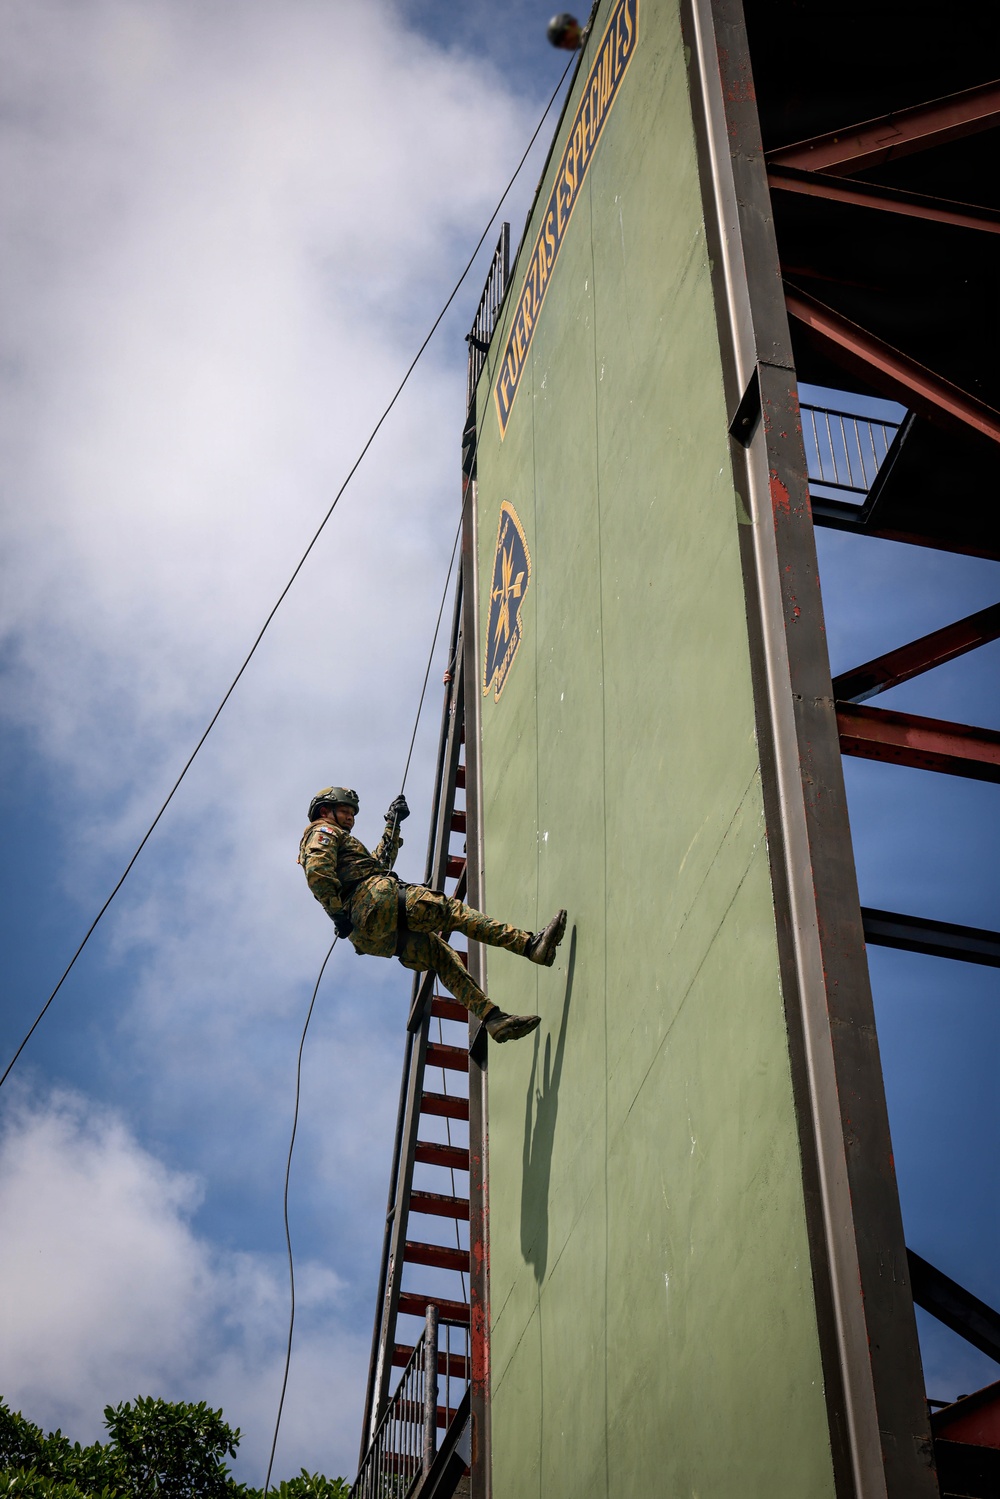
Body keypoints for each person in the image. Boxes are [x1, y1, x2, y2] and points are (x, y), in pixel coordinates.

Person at [298, 786, 567, 1043]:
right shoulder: (322, 831)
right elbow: (318, 873)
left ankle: (493, 1019)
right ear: (325, 811)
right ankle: (530, 945)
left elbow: (377, 866)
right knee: (452, 912)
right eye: (345, 810)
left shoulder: (340, 841)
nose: (351, 818)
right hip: (376, 901)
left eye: (352, 813)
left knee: (440, 956)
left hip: (369, 935)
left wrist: (393, 823)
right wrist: (337, 915)